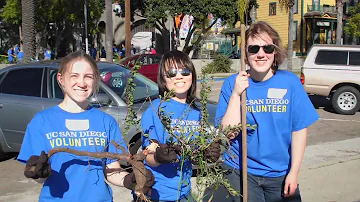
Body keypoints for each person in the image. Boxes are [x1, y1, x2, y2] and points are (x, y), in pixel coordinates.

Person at [17, 51, 154, 201]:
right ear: (61, 79)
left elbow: (111, 170)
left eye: (88, 77)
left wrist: (128, 180)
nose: (81, 83)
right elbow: (39, 175)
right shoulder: (42, 121)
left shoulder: (105, 121)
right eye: (74, 76)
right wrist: (39, 174)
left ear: (95, 80)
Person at [215, 21, 319, 202]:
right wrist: (236, 95)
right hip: (242, 171)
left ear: (275, 51)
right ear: (245, 54)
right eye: (254, 49)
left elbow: (299, 130)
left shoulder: (290, 82)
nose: (261, 54)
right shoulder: (233, 83)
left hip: (280, 172)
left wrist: (294, 173)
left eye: (267, 48)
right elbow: (227, 134)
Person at [139, 50, 221, 202]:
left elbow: (194, 153)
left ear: (192, 75)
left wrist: (205, 154)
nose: (179, 76)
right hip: (157, 193)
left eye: (185, 71)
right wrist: (158, 156)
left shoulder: (196, 111)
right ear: (163, 78)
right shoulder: (155, 109)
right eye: (171, 72)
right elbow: (147, 155)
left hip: (184, 191)